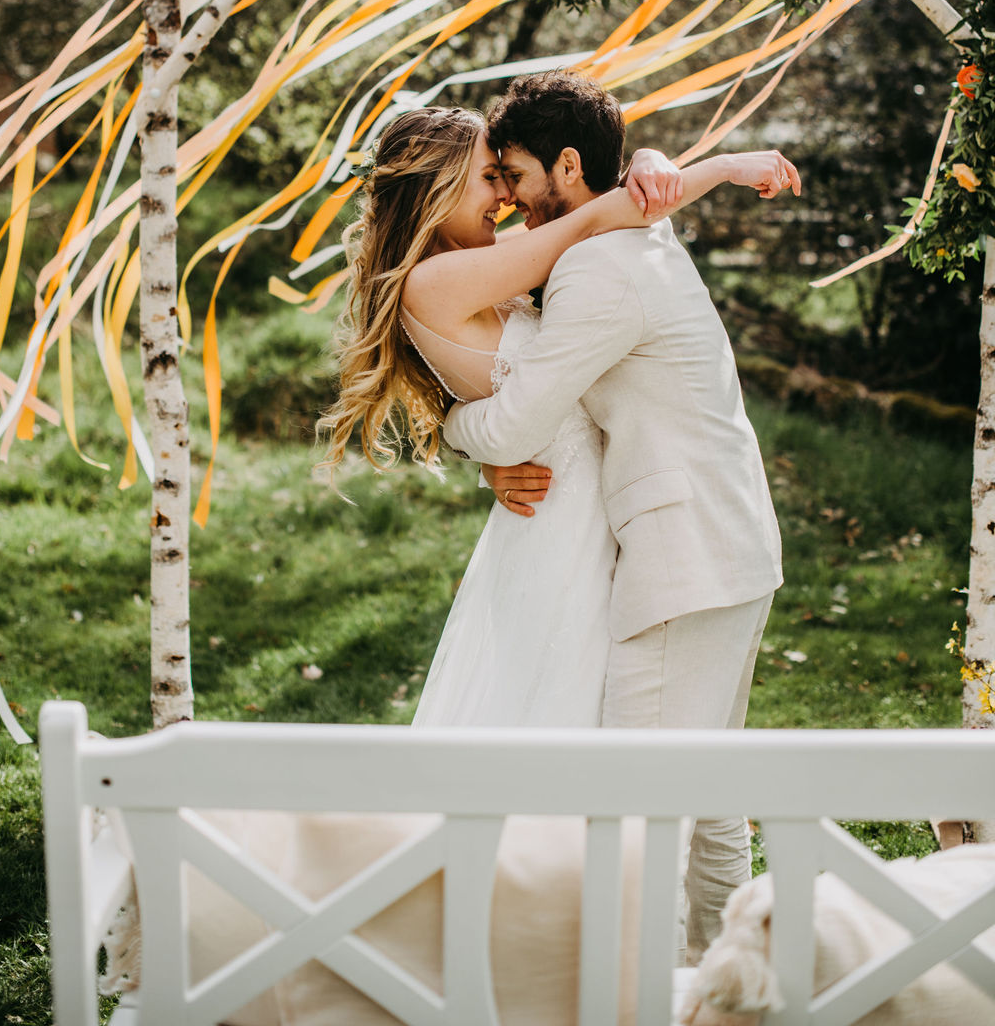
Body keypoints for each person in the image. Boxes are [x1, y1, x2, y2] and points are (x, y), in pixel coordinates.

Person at [443, 71, 796, 960]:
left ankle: (643, 993)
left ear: (568, 167)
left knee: (636, 807)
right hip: (728, 544)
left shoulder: (600, 270)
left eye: (517, 175)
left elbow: (518, 419)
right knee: (708, 800)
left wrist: (451, 427)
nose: (512, 197)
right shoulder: (632, 235)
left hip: (686, 560)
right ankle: (729, 990)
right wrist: (671, 161)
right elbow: (643, 194)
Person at [320, 101, 796, 742]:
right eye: (491, 178)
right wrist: (716, 167)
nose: (505, 199)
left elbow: (596, 215)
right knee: (581, 734)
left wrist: (648, 164)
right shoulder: (432, 281)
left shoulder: (484, 265)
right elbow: (598, 215)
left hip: (600, 522)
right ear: (437, 186)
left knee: (620, 741)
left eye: (505, 176)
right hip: (564, 528)